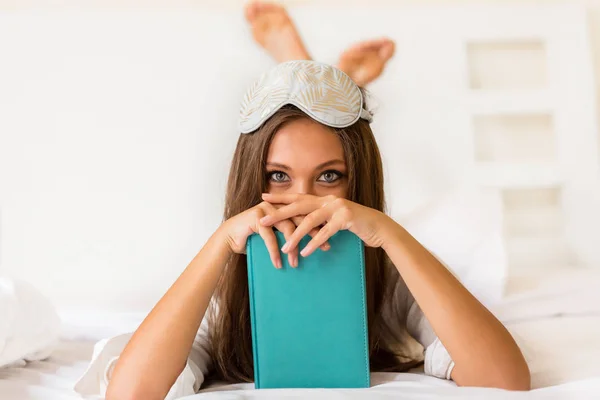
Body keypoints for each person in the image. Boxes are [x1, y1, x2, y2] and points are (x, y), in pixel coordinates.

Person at [75, 2, 530, 399]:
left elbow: (504, 382)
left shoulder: (390, 280)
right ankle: (323, 80)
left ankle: (321, 82)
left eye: (330, 176)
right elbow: (132, 392)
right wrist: (219, 244)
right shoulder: (228, 290)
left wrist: (390, 233)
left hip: (370, 240)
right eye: (278, 176)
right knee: (311, 145)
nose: (303, 202)